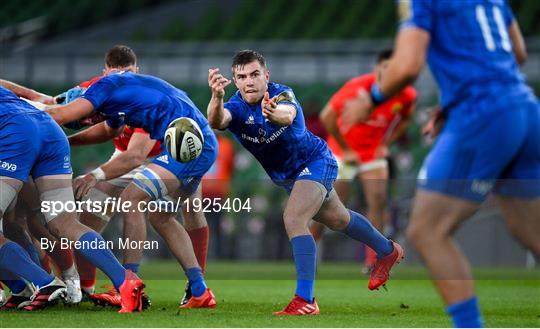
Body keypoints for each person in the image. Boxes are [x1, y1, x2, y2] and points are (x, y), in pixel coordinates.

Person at [341, 1, 539, 327]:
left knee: (426, 230)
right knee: (531, 232)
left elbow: (407, 65)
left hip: (481, 113)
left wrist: (371, 99)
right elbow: (517, 52)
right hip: (525, 109)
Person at [207, 49, 404, 315]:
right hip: (290, 177)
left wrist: (273, 113)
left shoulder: (281, 94)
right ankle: (387, 250)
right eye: (242, 77)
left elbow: (286, 115)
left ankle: (305, 300)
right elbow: (217, 120)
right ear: (235, 80)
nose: (249, 81)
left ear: (266, 75)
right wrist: (217, 98)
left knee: (294, 218)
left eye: (255, 74)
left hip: (316, 162)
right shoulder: (234, 107)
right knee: (339, 219)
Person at [44, 63, 219, 309]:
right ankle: (200, 291)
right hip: (195, 140)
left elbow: (58, 115)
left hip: (186, 142)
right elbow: (107, 131)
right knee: (161, 216)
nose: (88, 121)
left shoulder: (100, 90)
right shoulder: (117, 95)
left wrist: (23, 118)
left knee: (131, 199)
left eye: (84, 117)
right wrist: (71, 142)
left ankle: (128, 282)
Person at [0, 80, 142, 313]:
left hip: (15, 131)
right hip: (49, 129)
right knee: (63, 223)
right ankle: (126, 282)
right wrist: (35, 94)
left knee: (18, 220)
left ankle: (44, 282)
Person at [316, 49, 416, 271]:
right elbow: (326, 117)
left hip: (372, 152)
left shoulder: (406, 94)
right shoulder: (357, 87)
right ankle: (310, 246)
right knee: (330, 204)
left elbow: (407, 118)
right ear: (377, 67)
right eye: (386, 67)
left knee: (378, 200)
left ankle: (374, 257)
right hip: (343, 151)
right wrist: (344, 148)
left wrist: (386, 143)